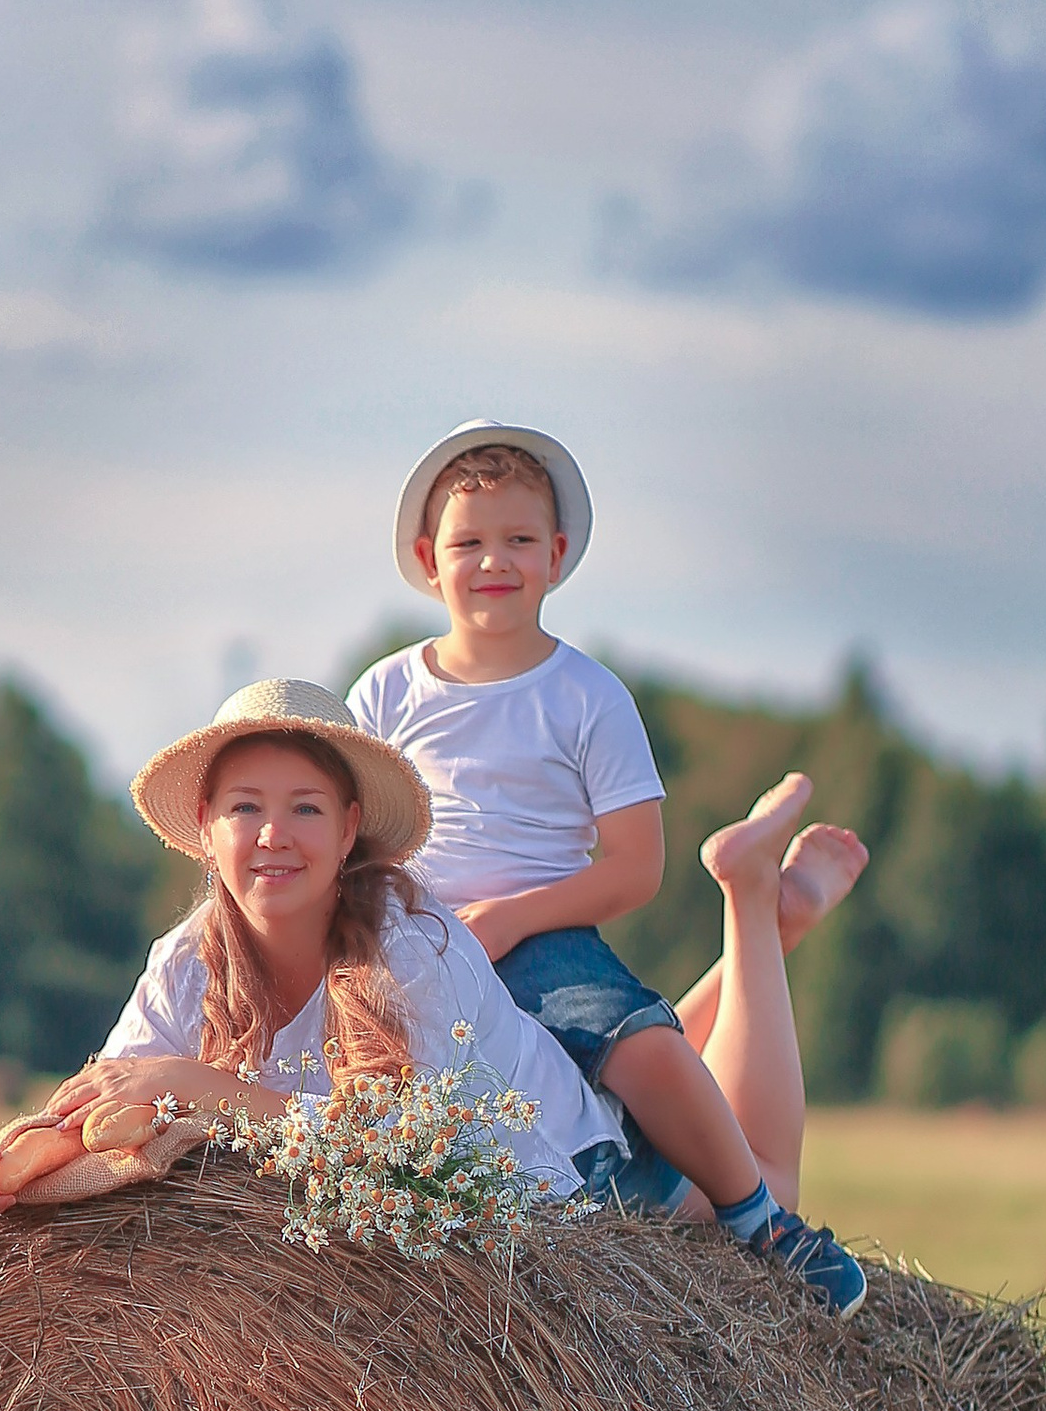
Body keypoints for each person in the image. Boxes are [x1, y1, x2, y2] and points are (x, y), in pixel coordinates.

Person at [0, 680, 863, 1318]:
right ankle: (765, 940)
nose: (273, 834)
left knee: (764, 1176)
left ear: (349, 831)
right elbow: (103, 1097)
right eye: (245, 807)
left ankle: (754, 910)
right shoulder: (185, 963)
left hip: (572, 1181)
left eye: (305, 808)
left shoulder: (407, 943)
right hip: (520, 1065)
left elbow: (396, 1160)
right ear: (207, 833)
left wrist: (200, 1086)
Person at [348, 421, 868, 1311]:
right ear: (429, 560)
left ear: (554, 556)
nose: (493, 562)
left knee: (638, 1048)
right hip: (417, 942)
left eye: (517, 541)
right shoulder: (385, 692)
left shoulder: (586, 695)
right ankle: (763, 938)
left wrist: (513, 918)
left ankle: (762, 1222)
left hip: (543, 937)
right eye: (470, 543)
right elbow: (357, 840)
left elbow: (634, 868)